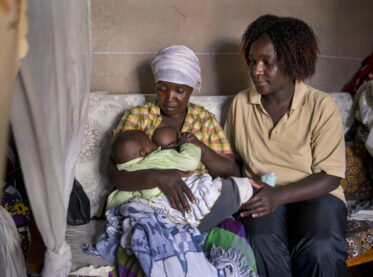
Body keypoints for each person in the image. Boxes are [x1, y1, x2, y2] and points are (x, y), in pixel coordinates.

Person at [224, 15, 348, 277]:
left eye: (267, 62)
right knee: (260, 242)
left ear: (293, 63)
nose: (256, 70)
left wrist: (279, 196)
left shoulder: (320, 106)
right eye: (253, 61)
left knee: (320, 247)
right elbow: (233, 161)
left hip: (317, 195)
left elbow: (331, 176)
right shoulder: (241, 105)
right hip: (262, 193)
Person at [108, 45, 240, 217]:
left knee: (232, 194)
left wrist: (196, 145)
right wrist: (157, 177)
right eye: (162, 88)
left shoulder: (205, 120)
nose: (169, 98)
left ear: (191, 90)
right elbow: (114, 174)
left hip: (197, 203)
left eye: (179, 91)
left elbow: (230, 172)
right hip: (149, 205)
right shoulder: (138, 117)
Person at [106, 128, 254, 230]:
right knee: (232, 187)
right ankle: (253, 186)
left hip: (160, 217)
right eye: (151, 142)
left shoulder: (129, 172)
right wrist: (189, 144)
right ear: (144, 152)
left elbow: (116, 201)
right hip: (187, 205)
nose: (157, 146)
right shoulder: (158, 156)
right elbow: (189, 162)